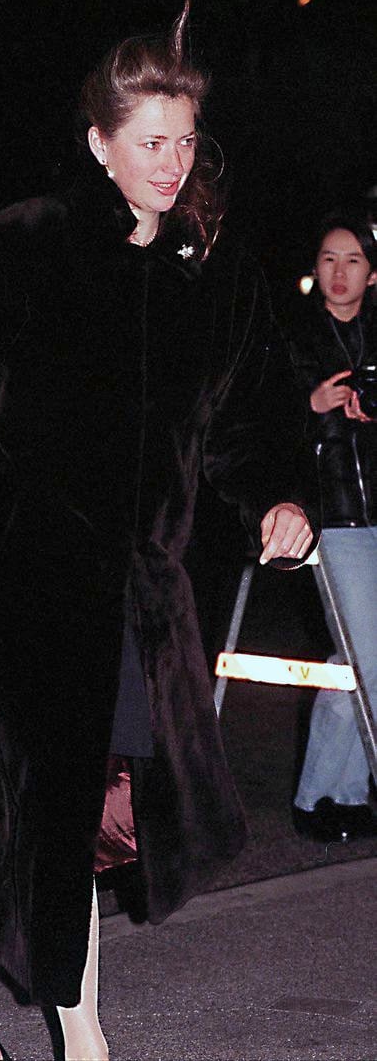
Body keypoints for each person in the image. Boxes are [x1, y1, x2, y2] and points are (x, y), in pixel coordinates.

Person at [0, 5, 314, 1061]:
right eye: (147, 140)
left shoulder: (209, 277)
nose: (169, 163)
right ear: (97, 142)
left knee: (46, 798)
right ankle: (84, 1034)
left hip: (142, 591)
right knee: (65, 795)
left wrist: (273, 496)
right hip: (16, 577)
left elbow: (245, 421)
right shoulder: (20, 247)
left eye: (182, 141)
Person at [289, 214, 377, 843]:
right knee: (366, 655)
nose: (340, 272)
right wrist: (312, 407)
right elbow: (249, 429)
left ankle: (335, 792)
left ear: (372, 274)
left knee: (354, 657)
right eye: (328, 258)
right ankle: (324, 793)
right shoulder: (289, 338)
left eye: (352, 260)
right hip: (332, 517)